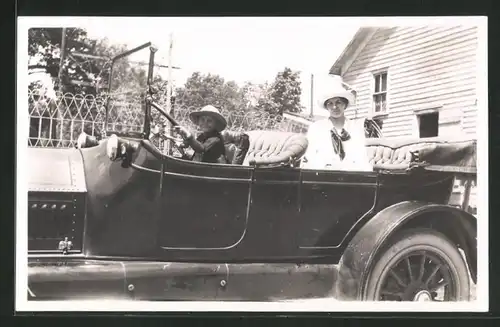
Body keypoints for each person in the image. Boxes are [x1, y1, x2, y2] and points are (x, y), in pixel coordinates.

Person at [301, 84, 373, 171]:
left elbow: (362, 157)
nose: (334, 107)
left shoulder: (355, 128)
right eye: (330, 103)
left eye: (338, 102)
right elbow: (310, 156)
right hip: (324, 175)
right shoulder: (317, 128)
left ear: (345, 105)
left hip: (350, 175)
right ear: (326, 107)